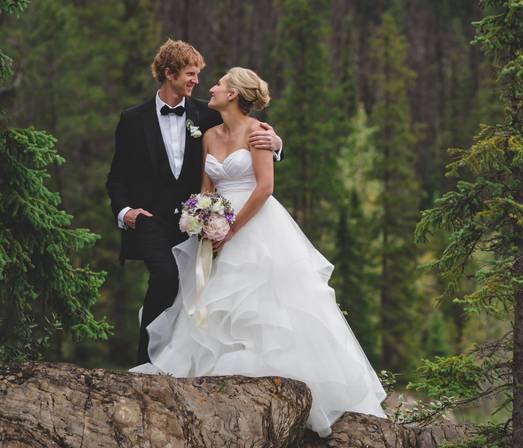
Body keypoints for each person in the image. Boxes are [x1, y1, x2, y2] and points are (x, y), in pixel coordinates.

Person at [131, 67, 386, 435]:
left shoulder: (259, 133)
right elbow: (206, 186)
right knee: (211, 304)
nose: (211, 87)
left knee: (265, 305)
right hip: (218, 226)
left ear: (233, 93)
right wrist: (204, 221)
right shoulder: (209, 134)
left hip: (255, 223)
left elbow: (265, 187)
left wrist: (231, 230)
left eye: (218, 83)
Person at [106, 40, 283, 365]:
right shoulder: (132, 120)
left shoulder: (207, 113)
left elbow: (245, 135)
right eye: (190, 74)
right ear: (169, 73)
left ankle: (181, 364)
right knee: (164, 276)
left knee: (195, 290)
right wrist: (125, 211)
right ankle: (144, 363)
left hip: (193, 223)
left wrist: (277, 143)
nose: (197, 81)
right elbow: (116, 177)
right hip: (151, 220)